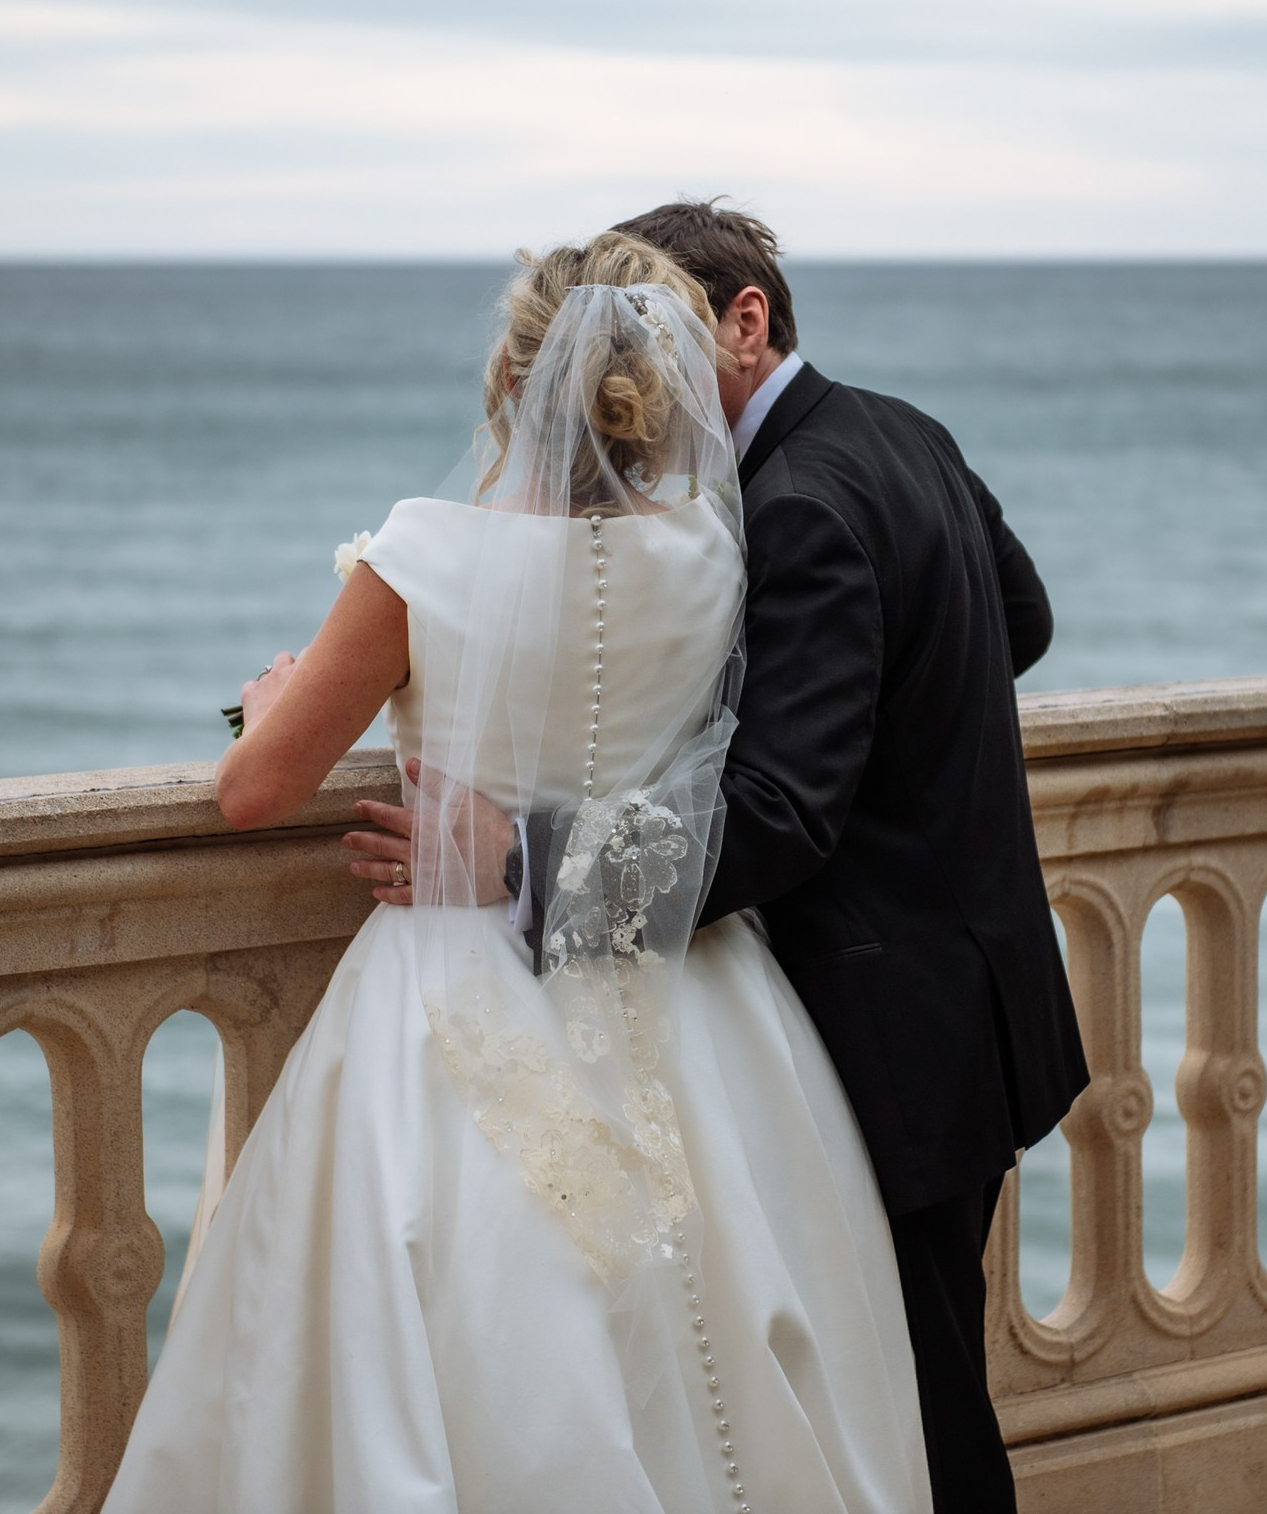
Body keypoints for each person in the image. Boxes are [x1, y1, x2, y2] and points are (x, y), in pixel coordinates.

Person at [106, 232, 932, 1513]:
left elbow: (253, 787)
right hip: (686, 982)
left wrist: (274, 698)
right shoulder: (711, 557)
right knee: (720, 1331)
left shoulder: (426, 554)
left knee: (443, 1320)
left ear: (514, 375)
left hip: (452, 973)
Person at [347, 203, 1087, 1513]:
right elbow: (1018, 619)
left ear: (749, 320)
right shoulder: (903, 429)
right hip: (979, 991)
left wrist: (517, 856)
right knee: (913, 1381)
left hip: (884, 1019)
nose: (640, 365)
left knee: (919, 1412)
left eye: (670, 326)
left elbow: (783, 817)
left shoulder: (789, 500)